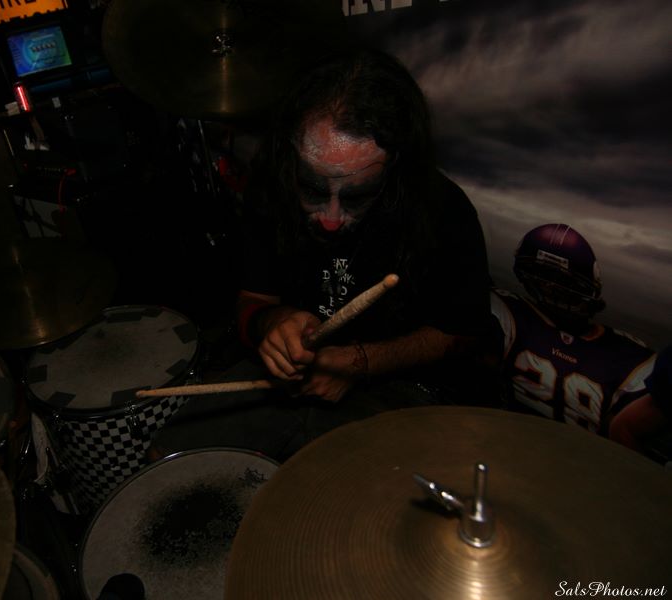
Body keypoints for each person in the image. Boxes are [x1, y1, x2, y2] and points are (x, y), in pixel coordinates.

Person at [151, 49, 497, 462]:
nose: (331, 220)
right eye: (313, 189)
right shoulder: (271, 186)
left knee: (332, 493)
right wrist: (272, 324)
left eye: (357, 196)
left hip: (406, 381)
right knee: (172, 459)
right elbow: (253, 300)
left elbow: (465, 335)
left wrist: (360, 363)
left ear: (394, 167)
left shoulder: (441, 209)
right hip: (298, 375)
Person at [490, 223, 656, 439]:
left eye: (562, 281)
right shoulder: (511, 314)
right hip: (505, 438)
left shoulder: (628, 356)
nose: (550, 287)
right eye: (544, 275)